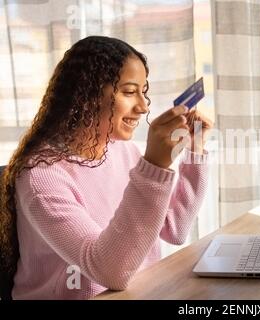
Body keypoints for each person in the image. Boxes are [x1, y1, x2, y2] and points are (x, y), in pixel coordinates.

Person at [0, 36, 212, 299]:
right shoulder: (41, 177)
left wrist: (196, 150)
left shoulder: (123, 150)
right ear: (86, 95)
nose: (143, 106)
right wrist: (155, 166)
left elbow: (175, 228)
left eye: (143, 91)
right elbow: (108, 271)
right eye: (129, 91)